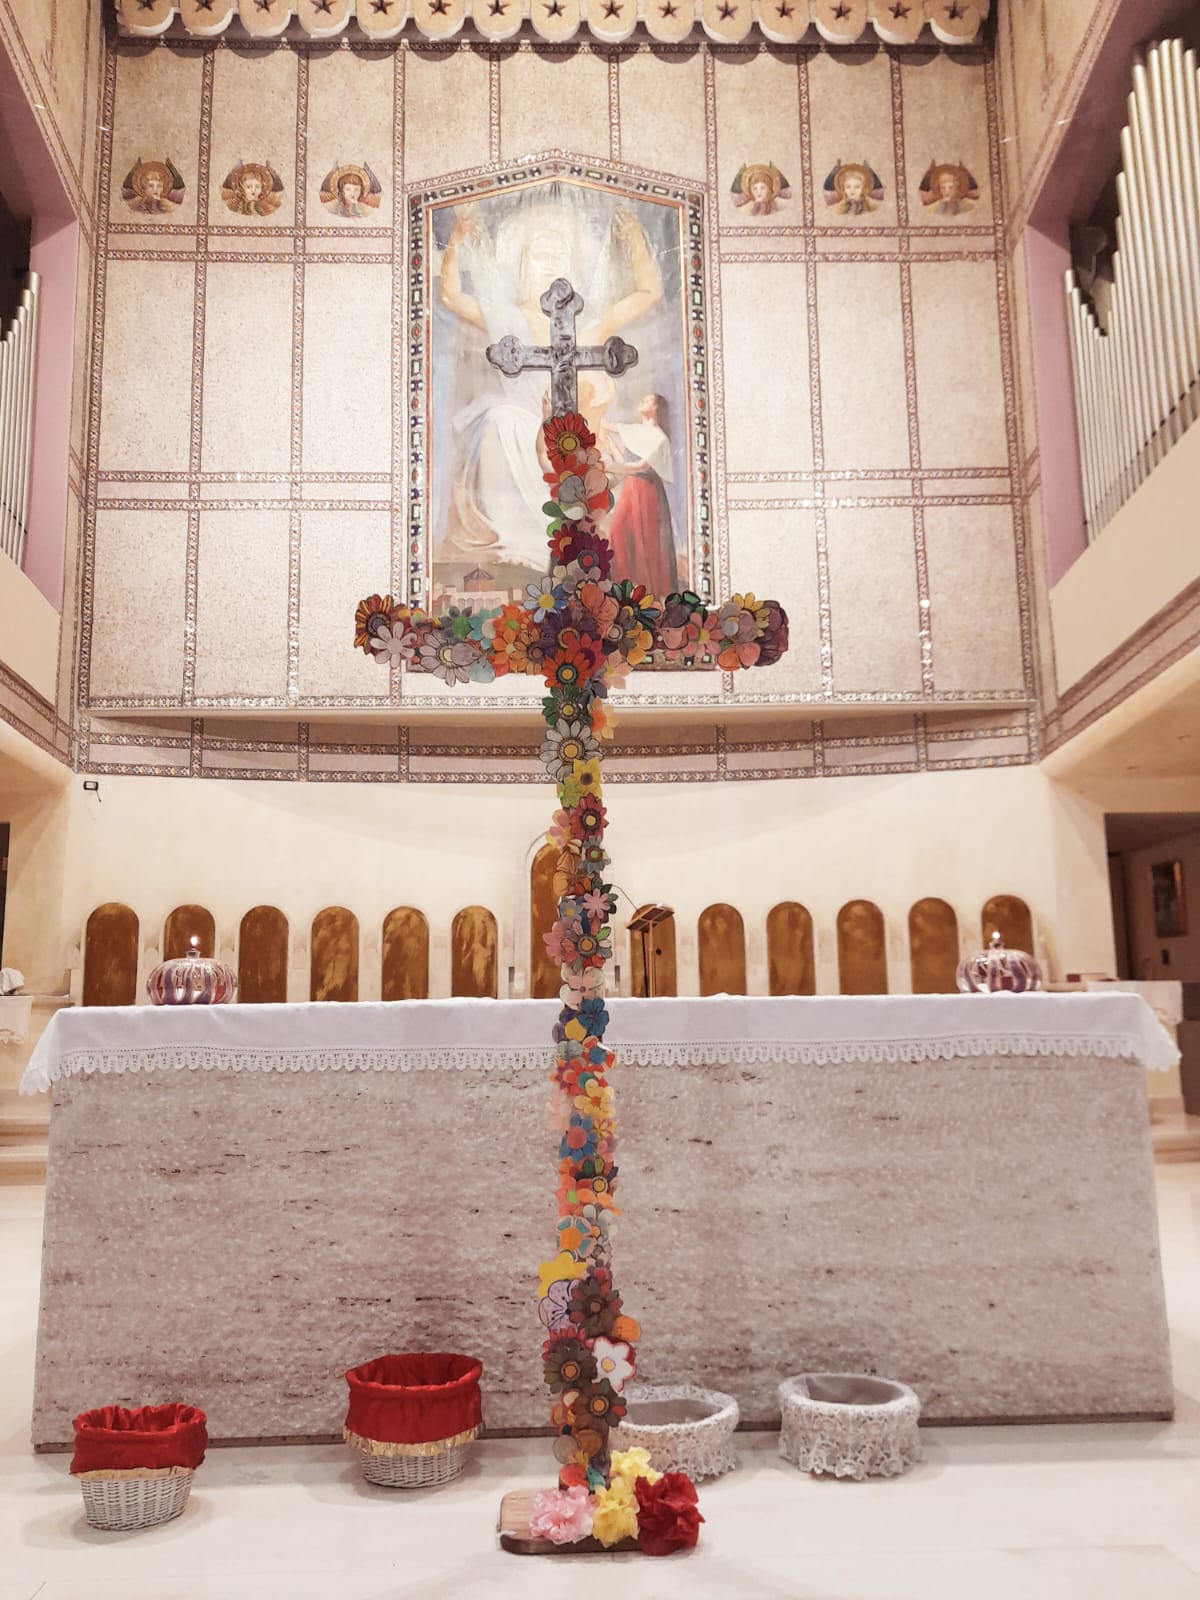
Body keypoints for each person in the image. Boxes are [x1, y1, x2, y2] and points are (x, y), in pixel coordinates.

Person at [435, 192, 663, 579]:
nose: (550, 264)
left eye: (559, 256)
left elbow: (648, 294)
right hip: (524, 424)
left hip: (577, 431)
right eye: (540, 255)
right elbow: (451, 296)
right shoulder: (506, 318)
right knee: (498, 419)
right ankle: (516, 543)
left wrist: (636, 241)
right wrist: (456, 240)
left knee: (586, 458)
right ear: (523, 267)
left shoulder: (591, 321)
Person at [606, 393, 678, 599]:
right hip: (631, 487)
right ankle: (623, 588)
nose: (642, 401)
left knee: (643, 540)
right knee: (618, 530)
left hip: (647, 491)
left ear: (656, 408)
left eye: (647, 400)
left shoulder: (660, 438)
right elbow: (608, 426)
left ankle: (644, 594)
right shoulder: (636, 430)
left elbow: (640, 466)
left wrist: (608, 466)